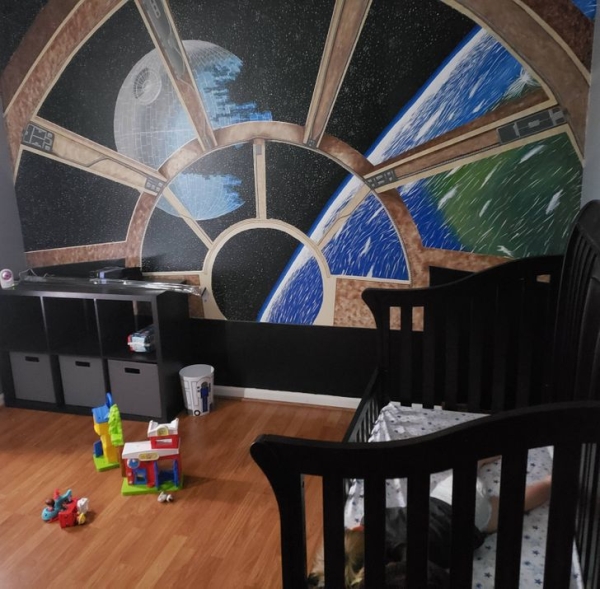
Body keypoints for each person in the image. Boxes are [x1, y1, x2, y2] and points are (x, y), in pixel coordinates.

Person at [307, 457, 552, 589]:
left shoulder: (401, 568)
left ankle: (551, 483)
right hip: (445, 498)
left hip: (470, 523)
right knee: (470, 463)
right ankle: (494, 449)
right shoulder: (377, 520)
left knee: (517, 503)